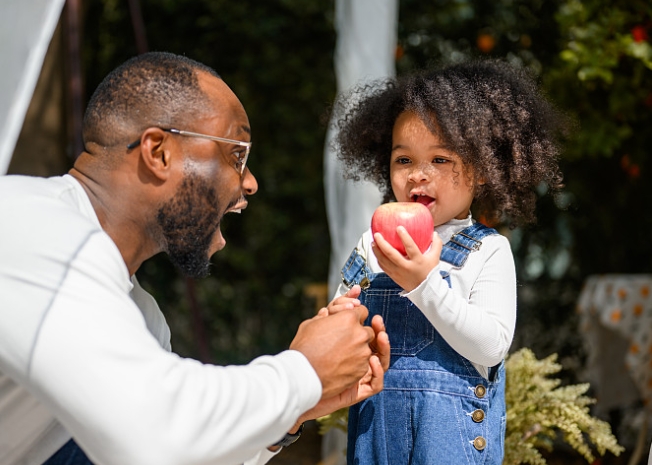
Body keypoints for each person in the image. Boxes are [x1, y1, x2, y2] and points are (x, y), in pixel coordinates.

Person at [0, 51, 390, 465]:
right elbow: (156, 436)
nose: (252, 182)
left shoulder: (139, 316)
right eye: (236, 154)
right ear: (159, 152)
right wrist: (303, 371)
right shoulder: (32, 224)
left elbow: (182, 451)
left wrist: (293, 412)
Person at [329, 59, 568, 464]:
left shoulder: (487, 249)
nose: (418, 175)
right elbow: (341, 325)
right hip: (376, 438)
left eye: (440, 160)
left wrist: (425, 285)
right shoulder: (374, 242)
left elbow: (491, 346)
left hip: (449, 447)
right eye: (404, 160)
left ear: (481, 172)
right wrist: (338, 320)